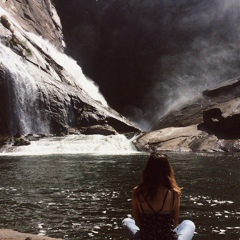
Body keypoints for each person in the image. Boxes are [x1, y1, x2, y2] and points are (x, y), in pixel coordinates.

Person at [122, 152, 195, 240]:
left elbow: (138, 223)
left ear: (148, 170)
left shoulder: (138, 191)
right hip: (167, 238)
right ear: (168, 169)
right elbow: (175, 223)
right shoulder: (174, 193)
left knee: (127, 221)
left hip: (145, 237)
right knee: (188, 223)